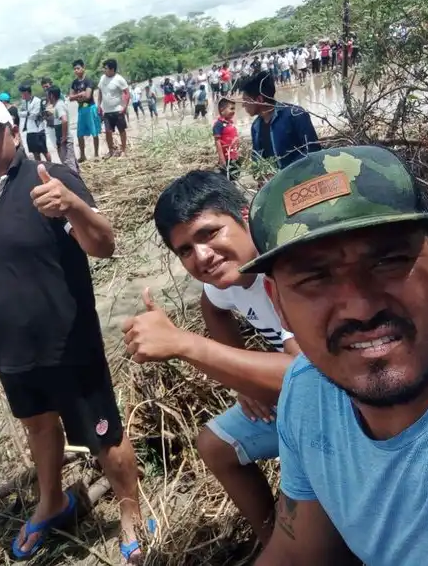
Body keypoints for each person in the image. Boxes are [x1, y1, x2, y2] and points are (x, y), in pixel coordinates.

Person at [0, 95, 152, 563]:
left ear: (13, 132)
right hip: (11, 350)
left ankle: (132, 513)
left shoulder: (50, 179)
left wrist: (73, 205)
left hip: (69, 343)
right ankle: (53, 502)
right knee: (37, 427)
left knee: (104, 435)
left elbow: (105, 245)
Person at [244, 146, 428, 565]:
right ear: (278, 305)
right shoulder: (308, 393)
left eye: (387, 262)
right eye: (315, 278)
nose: (361, 308)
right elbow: (296, 553)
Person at [122, 171, 301, 548]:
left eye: (210, 233)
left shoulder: (286, 268)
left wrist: (184, 344)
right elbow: (212, 307)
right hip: (303, 398)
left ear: (244, 215)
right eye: (185, 250)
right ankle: (271, 542)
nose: (202, 256)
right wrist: (243, 382)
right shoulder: (226, 279)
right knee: (215, 445)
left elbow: (309, 376)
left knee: (302, 508)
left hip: (348, 409)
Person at [240, 72, 321, 170]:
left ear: (259, 99)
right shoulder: (255, 127)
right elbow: (256, 157)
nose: (243, 105)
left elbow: (313, 150)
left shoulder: (295, 115)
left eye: (245, 100)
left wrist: (284, 175)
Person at [68, 59, 101, 162]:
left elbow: (87, 96)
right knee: (79, 134)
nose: (76, 71)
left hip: (90, 108)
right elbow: (70, 97)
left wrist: (78, 96)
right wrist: (79, 95)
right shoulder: (74, 83)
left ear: (83, 68)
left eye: (78, 68)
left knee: (94, 132)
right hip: (81, 109)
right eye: (74, 69)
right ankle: (83, 155)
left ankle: (96, 154)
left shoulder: (88, 81)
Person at [96, 58, 130, 158]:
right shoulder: (102, 78)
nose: (104, 70)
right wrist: (99, 105)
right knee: (108, 131)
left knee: (121, 130)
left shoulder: (119, 79)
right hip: (106, 111)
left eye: (106, 68)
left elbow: (127, 93)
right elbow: (100, 92)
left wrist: (124, 107)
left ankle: (123, 150)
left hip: (117, 110)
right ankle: (111, 151)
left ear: (112, 69)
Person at [46, 86, 80, 175]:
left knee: (68, 164)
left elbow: (64, 120)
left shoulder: (59, 106)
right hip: (63, 138)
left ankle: (75, 184)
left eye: (48, 95)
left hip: (65, 139)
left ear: (51, 96)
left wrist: (64, 137)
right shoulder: (58, 105)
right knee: (71, 162)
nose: (47, 97)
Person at [17, 85, 51, 162]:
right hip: (29, 130)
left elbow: (34, 115)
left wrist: (26, 113)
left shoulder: (37, 101)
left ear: (26, 93)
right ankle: (39, 166)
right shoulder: (24, 102)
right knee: (35, 152)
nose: (21, 95)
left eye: (22, 93)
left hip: (38, 130)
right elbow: (19, 113)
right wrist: (27, 113)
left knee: (44, 150)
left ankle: (50, 165)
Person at [212, 98, 243, 176]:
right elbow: (217, 142)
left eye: (234, 109)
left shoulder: (230, 123)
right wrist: (222, 159)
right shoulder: (218, 125)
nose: (234, 111)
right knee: (228, 177)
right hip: (227, 158)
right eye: (231, 109)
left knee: (236, 175)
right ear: (222, 109)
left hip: (234, 155)